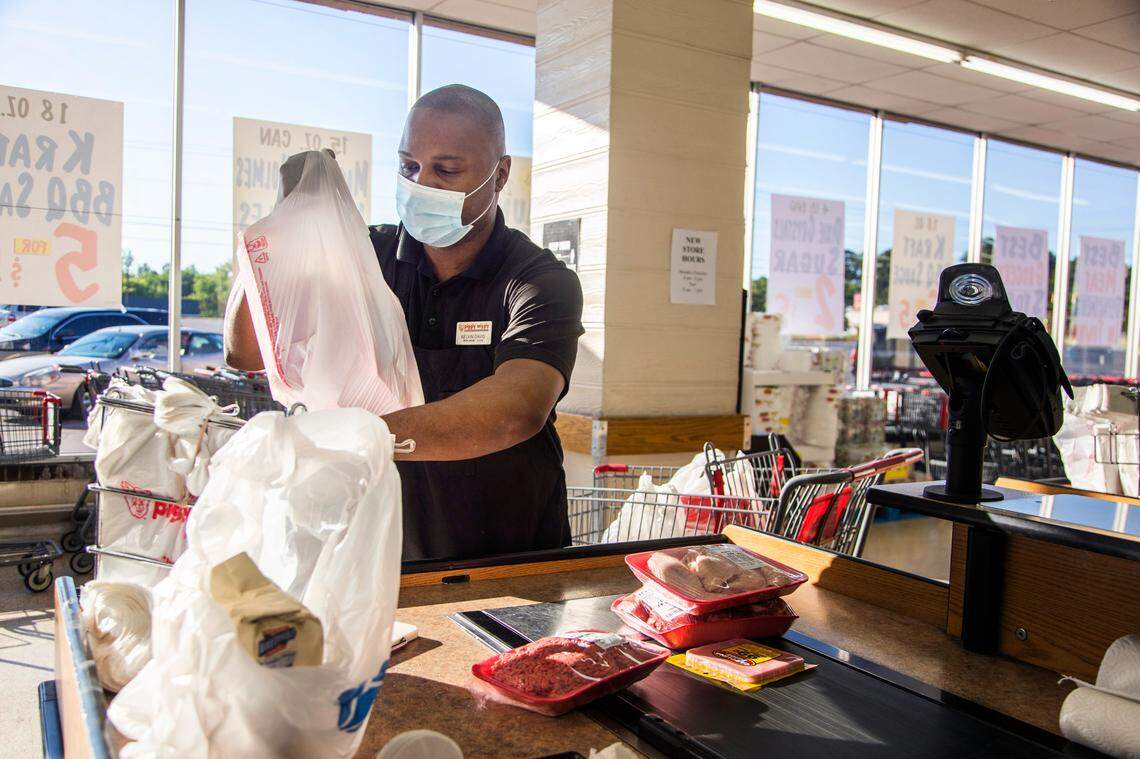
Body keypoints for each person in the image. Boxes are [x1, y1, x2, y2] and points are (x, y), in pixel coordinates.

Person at [224, 85, 584, 562]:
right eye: (408, 166)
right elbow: (246, 352)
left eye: (446, 170)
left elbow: (516, 409)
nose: (421, 183)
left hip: (509, 557)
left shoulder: (537, 280)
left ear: (499, 176)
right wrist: (284, 236)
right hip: (386, 551)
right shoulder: (365, 258)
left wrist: (360, 436)